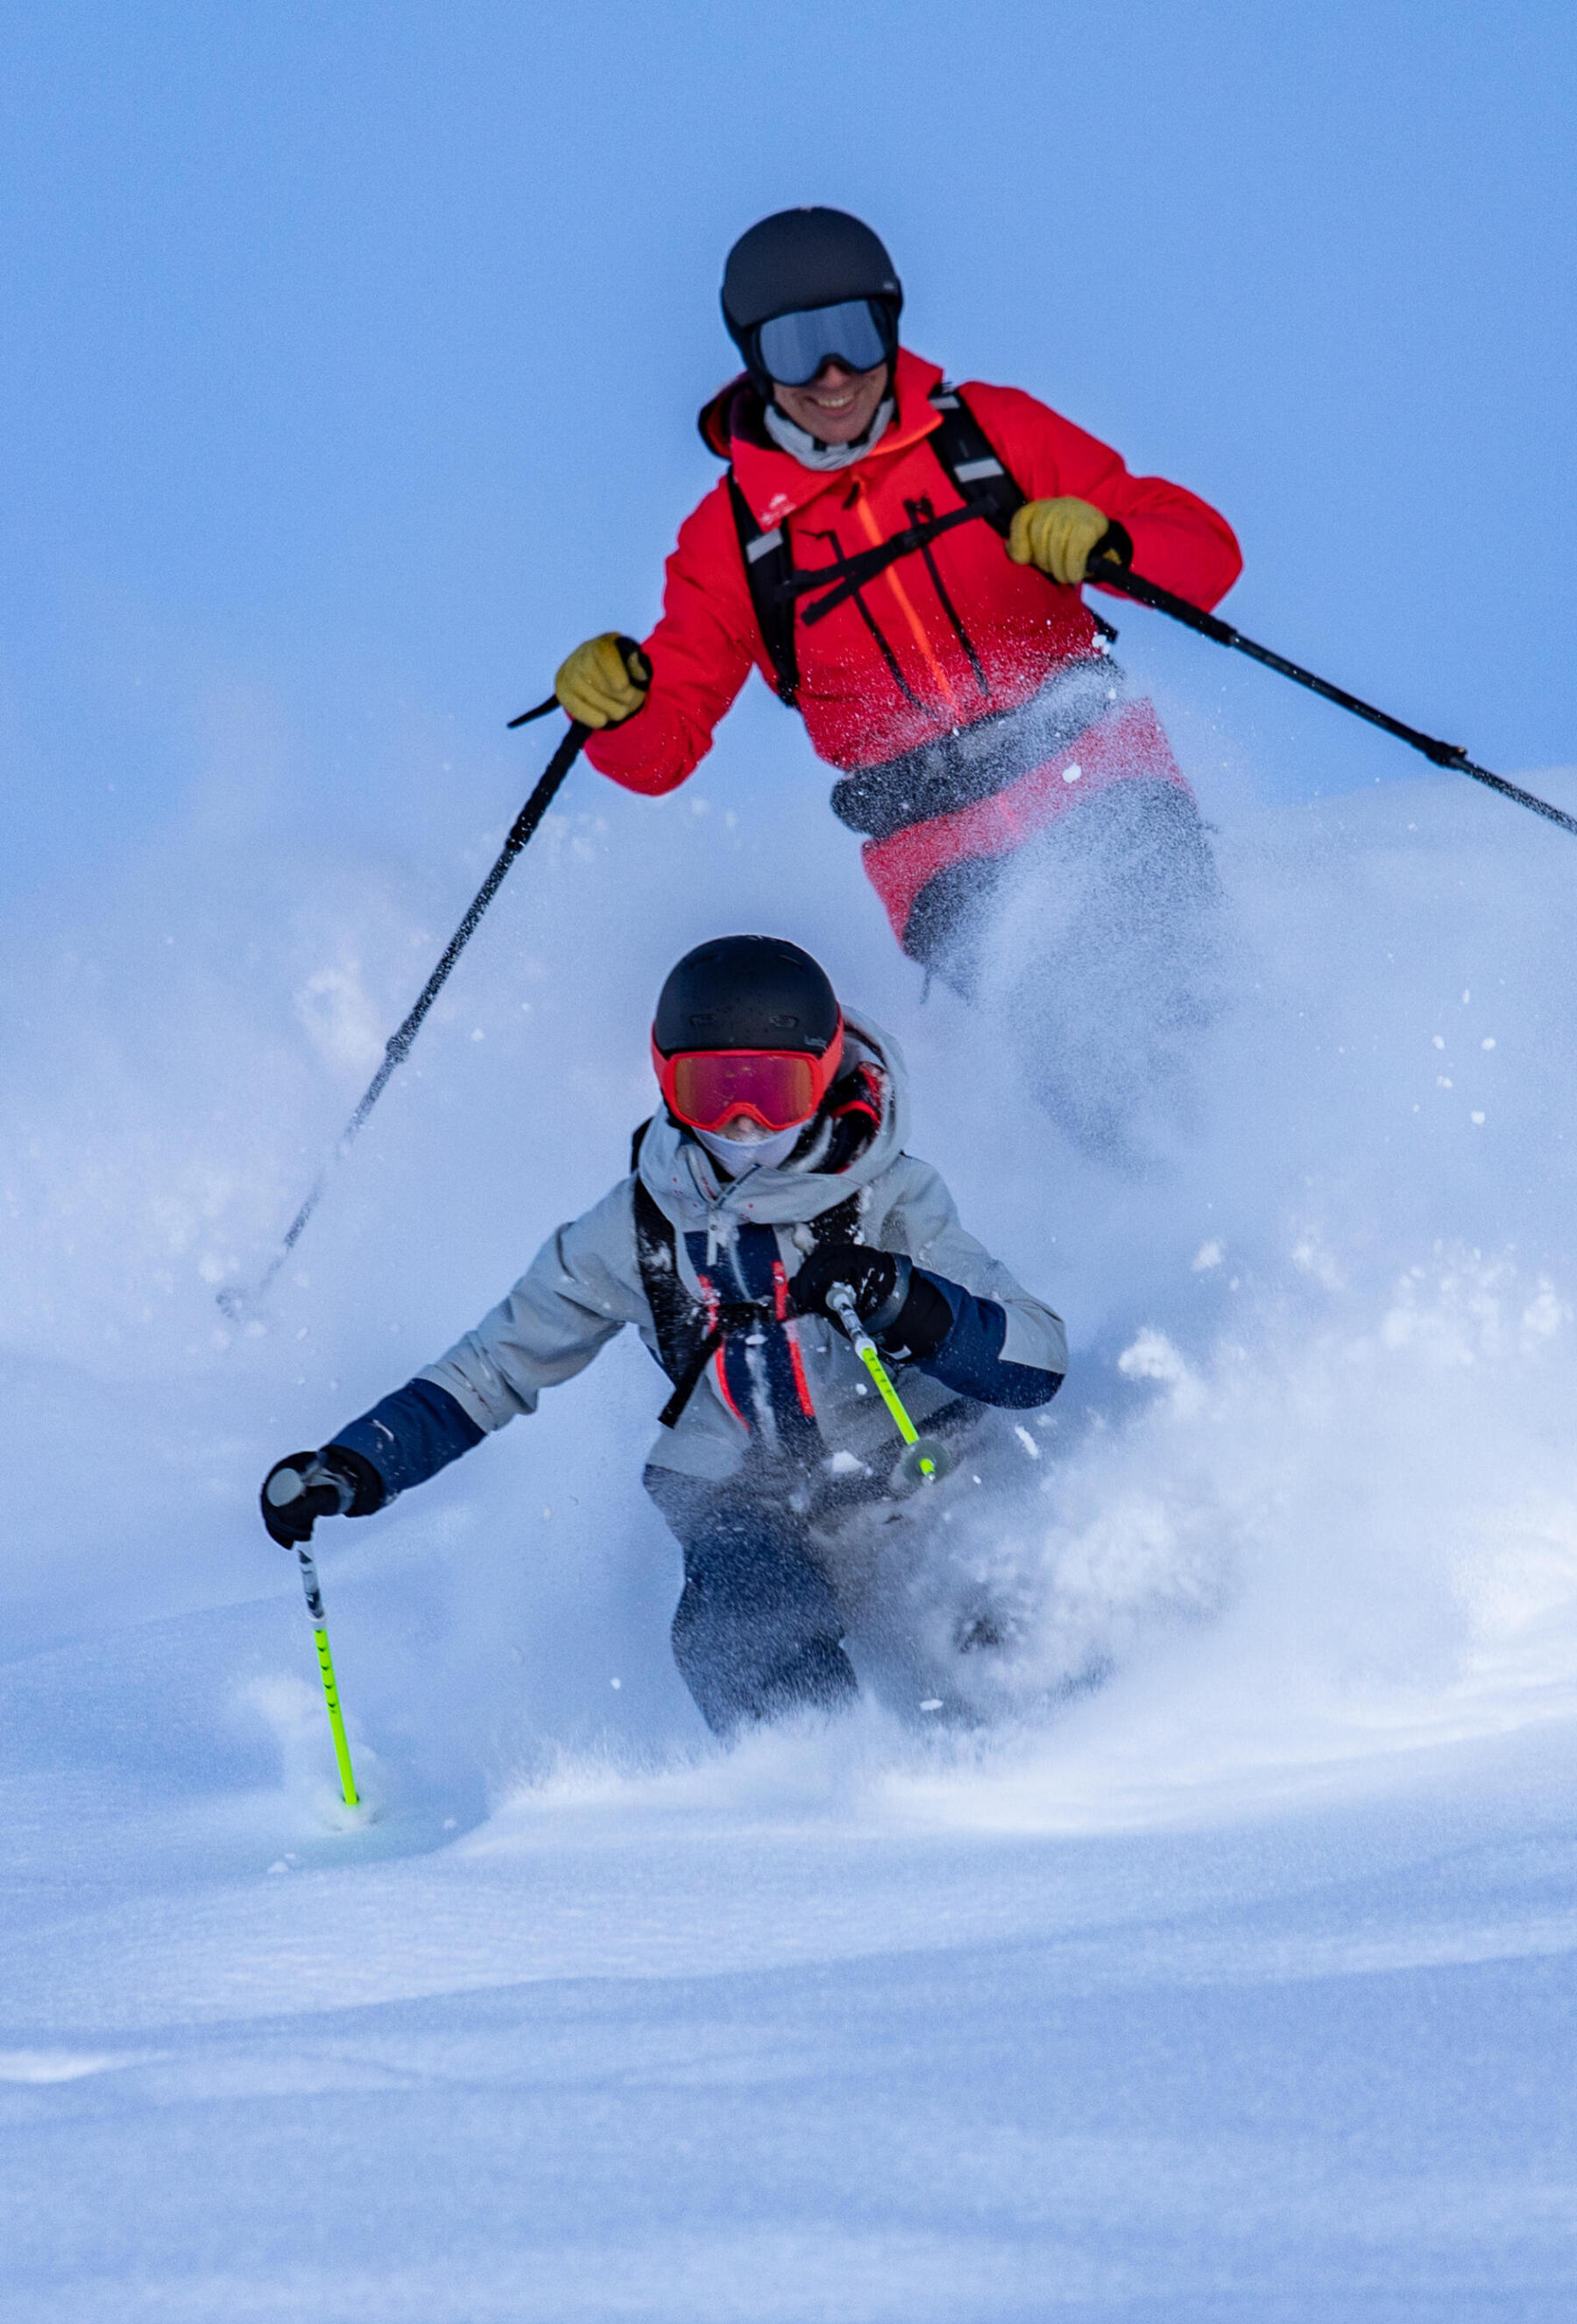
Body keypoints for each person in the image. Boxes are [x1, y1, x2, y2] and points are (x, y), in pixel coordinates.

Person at [552, 208, 1243, 1158]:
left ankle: (1271, 1162)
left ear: (891, 324)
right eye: (799, 350)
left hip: (1100, 775)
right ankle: (1173, 1202)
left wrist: (1112, 544)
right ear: (754, 360)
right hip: (942, 853)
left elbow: (1205, 552)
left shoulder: (988, 437)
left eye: (854, 335)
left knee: (1179, 984)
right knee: (1072, 1033)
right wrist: (618, 709)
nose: (832, 374)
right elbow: (662, 748)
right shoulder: (734, 538)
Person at [261, 936, 1066, 1738]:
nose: (744, 1124)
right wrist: (359, 1460)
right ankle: (821, 1797)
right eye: (710, 1088)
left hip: (921, 1475)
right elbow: (496, 1363)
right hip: (757, 1503)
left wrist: (904, 1298)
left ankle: (1057, 1762)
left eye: (774, 1089)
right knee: (745, 1616)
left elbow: (1036, 1361)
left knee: (1000, 1623)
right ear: (664, 1078)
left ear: (823, 1077)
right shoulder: (640, 1225)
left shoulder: (891, 1198)